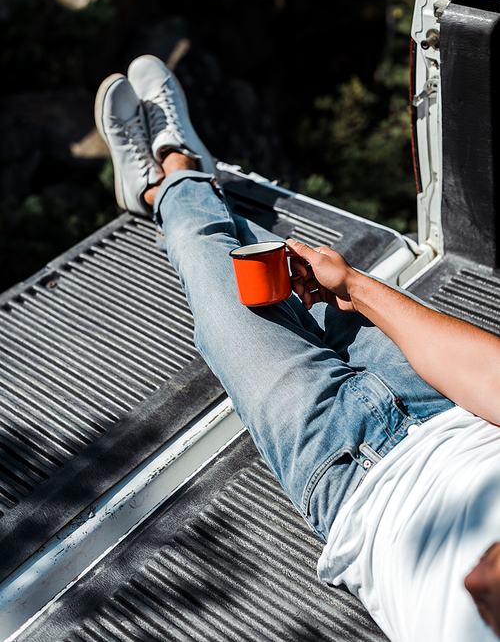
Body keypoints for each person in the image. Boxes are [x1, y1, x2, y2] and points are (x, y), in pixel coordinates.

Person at [95, 54, 500, 642]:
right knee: (282, 263)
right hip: (450, 401)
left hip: (350, 477)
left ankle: (170, 177)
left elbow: (482, 585)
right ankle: (187, 177)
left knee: (216, 272)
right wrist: (356, 288)